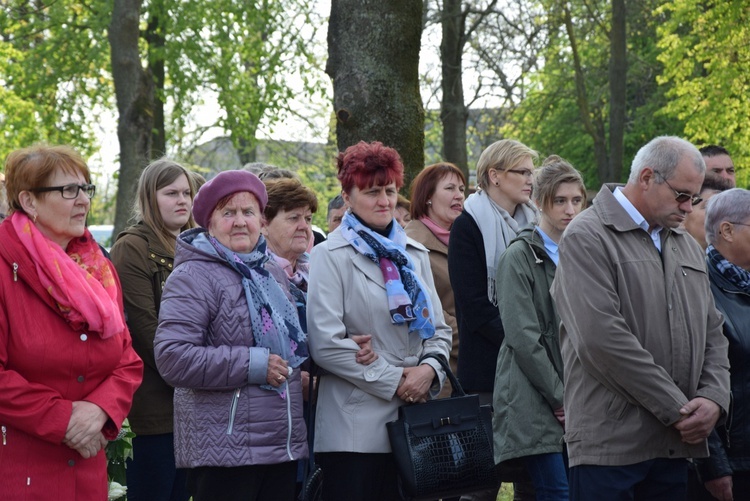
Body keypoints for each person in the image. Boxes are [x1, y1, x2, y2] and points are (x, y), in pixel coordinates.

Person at [550, 136, 731, 500]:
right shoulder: (587, 235)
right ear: (647, 177)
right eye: (682, 195)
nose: (688, 207)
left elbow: (713, 330)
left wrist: (714, 398)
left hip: (673, 445)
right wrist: (678, 410)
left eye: (694, 198)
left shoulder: (683, 243)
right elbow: (601, 340)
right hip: (611, 448)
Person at [306, 141, 452, 501]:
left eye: (389, 190)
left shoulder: (412, 255)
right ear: (347, 195)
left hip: (415, 421)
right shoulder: (329, 256)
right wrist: (396, 379)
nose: (384, 200)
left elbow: (440, 330)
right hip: (354, 429)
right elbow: (326, 344)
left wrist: (429, 370)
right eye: (372, 192)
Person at [154, 170, 308, 501]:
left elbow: (292, 344)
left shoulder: (271, 274)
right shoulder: (193, 275)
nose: (240, 222)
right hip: (225, 452)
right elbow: (173, 358)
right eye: (228, 213)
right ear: (209, 223)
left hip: (279, 445)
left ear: (262, 221)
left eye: (248, 212)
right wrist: (254, 364)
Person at [0, 144, 143, 500]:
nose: (83, 200)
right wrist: (63, 419)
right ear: (29, 201)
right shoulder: (4, 266)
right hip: (18, 474)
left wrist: (101, 410)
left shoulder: (99, 269)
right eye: (68, 190)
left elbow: (127, 357)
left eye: (86, 188)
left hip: (86, 473)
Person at [448, 139, 538, 501]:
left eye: (532, 172)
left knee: (534, 480)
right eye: (523, 172)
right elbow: (473, 306)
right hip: (489, 370)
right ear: (495, 175)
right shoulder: (468, 226)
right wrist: (526, 343)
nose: (531, 180)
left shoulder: (536, 223)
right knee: (482, 483)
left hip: (536, 373)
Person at [493, 156, 586, 501]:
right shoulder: (517, 256)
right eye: (559, 200)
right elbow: (522, 336)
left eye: (577, 200)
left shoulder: (583, 252)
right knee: (556, 493)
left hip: (580, 395)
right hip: (532, 394)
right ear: (538, 200)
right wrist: (560, 398)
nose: (570, 209)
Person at [110, 158, 196, 501]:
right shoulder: (132, 246)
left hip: (195, 405)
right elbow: (146, 328)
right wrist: (198, 372)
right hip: (153, 407)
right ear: (150, 197)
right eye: (171, 192)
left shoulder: (198, 245)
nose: (183, 200)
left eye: (187, 192)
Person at [691, 188, 750, 501]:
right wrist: (714, 465)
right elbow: (692, 380)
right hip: (733, 463)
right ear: (727, 230)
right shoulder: (699, 287)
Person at [405, 162, 466, 394]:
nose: (459, 196)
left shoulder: (462, 239)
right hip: (441, 371)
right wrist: (476, 338)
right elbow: (430, 311)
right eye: (450, 188)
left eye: (461, 189)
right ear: (428, 196)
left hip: (466, 365)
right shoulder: (412, 244)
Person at [682, 176, 731, 250]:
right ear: (682, 217)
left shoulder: (742, 259)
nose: (719, 212)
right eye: (709, 205)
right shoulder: (666, 256)